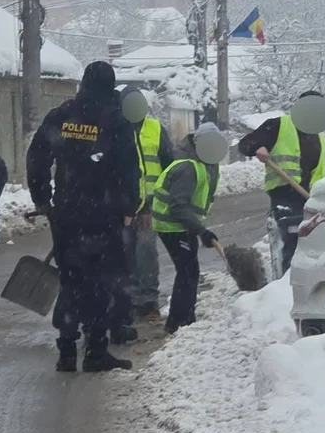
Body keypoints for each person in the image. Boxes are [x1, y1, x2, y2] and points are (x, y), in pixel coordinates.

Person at [27, 61, 141, 373]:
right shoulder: (117, 121)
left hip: (66, 212)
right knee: (102, 282)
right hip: (105, 215)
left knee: (72, 278)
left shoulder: (62, 116)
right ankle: (95, 350)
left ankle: (66, 349)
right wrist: (130, 207)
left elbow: (37, 156)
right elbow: (129, 169)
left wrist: (42, 196)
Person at [238, 91, 325, 276]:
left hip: (311, 200)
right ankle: (287, 285)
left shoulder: (321, 138)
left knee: (312, 243)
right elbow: (245, 144)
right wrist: (258, 147)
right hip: (284, 196)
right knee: (292, 241)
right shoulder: (279, 125)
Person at [152, 122, 223, 334]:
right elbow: (177, 206)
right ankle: (180, 322)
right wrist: (202, 231)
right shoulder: (188, 167)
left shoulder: (203, 162)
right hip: (172, 225)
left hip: (180, 224)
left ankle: (181, 319)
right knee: (187, 272)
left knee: (188, 271)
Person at [120, 85, 174, 322]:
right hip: (123, 206)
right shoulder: (115, 130)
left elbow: (168, 166)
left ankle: (148, 300)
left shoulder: (155, 129)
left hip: (150, 204)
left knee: (146, 250)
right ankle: (128, 299)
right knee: (124, 252)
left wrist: (158, 204)